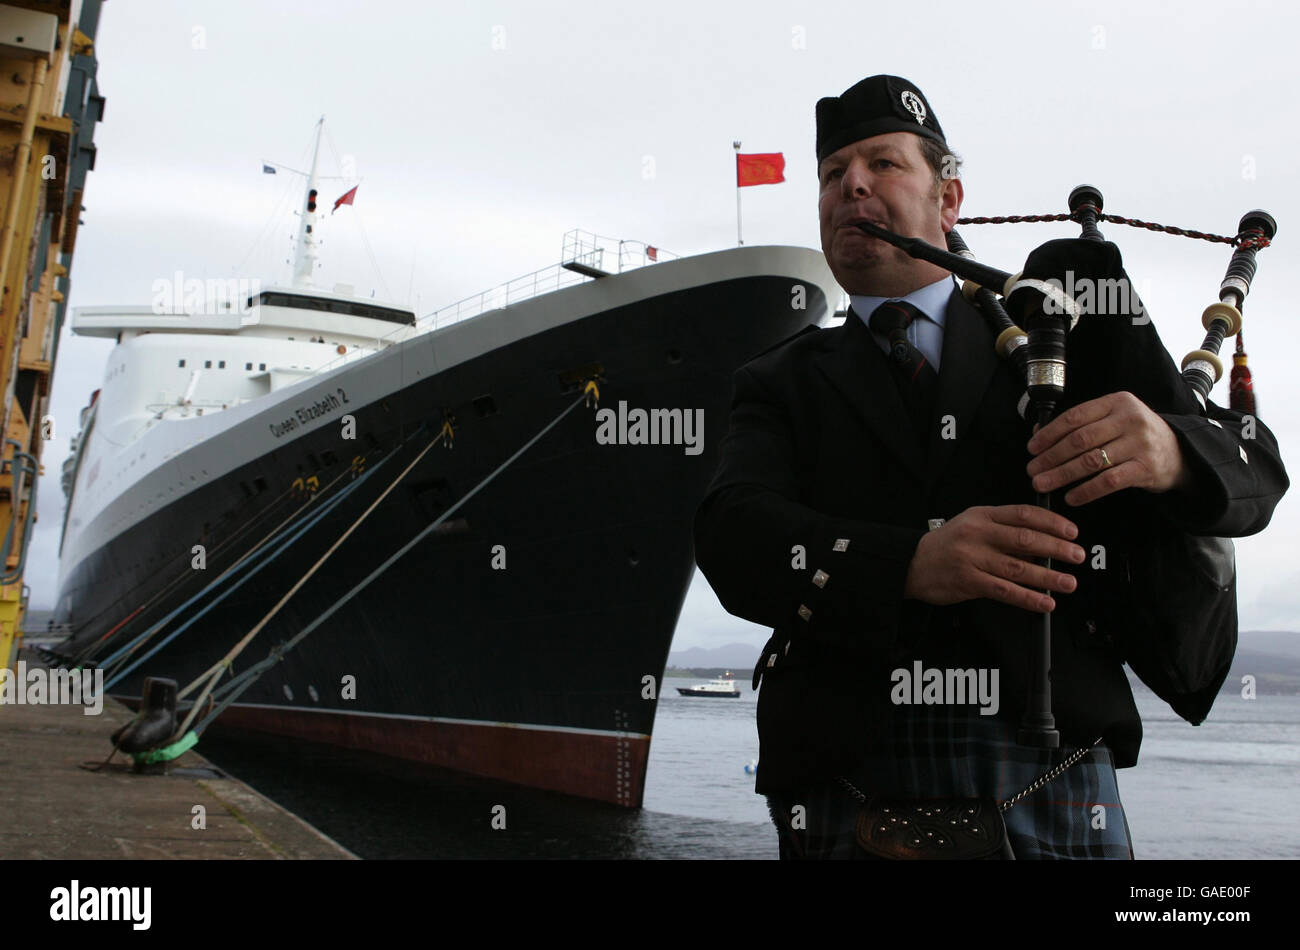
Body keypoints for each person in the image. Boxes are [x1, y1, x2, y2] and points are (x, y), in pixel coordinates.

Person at [693, 75, 1288, 859]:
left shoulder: (1065, 331)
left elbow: (1257, 474)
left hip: (1053, 768)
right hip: (849, 778)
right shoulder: (779, 381)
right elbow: (732, 539)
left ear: (949, 201)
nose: (854, 186)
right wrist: (911, 563)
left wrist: (1174, 451)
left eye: (884, 164)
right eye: (834, 176)